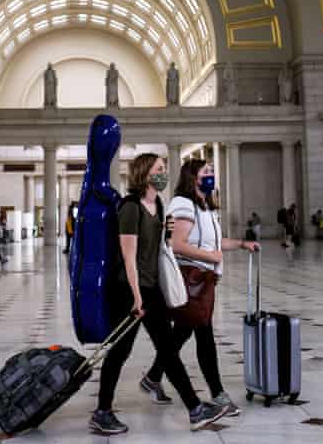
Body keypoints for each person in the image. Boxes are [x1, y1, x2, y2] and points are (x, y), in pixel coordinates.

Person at [90, 153, 228, 435]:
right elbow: (128, 257)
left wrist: (167, 235)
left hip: (152, 289)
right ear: (144, 173)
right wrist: (137, 298)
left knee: (167, 350)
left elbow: (159, 249)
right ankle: (102, 412)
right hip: (129, 291)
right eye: (159, 169)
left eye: (164, 169)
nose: (164, 173)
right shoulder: (130, 208)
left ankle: (195, 409)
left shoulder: (159, 206)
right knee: (119, 352)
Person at [143, 159, 258, 418]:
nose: (211, 175)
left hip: (204, 281)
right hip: (191, 279)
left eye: (212, 171)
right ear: (192, 176)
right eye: (206, 172)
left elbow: (215, 242)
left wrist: (241, 244)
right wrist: (211, 257)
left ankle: (152, 377)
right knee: (204, 337)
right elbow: (176, 244)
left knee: (182, 332)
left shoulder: (205, 206)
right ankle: (218, 395)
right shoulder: (182, 204)